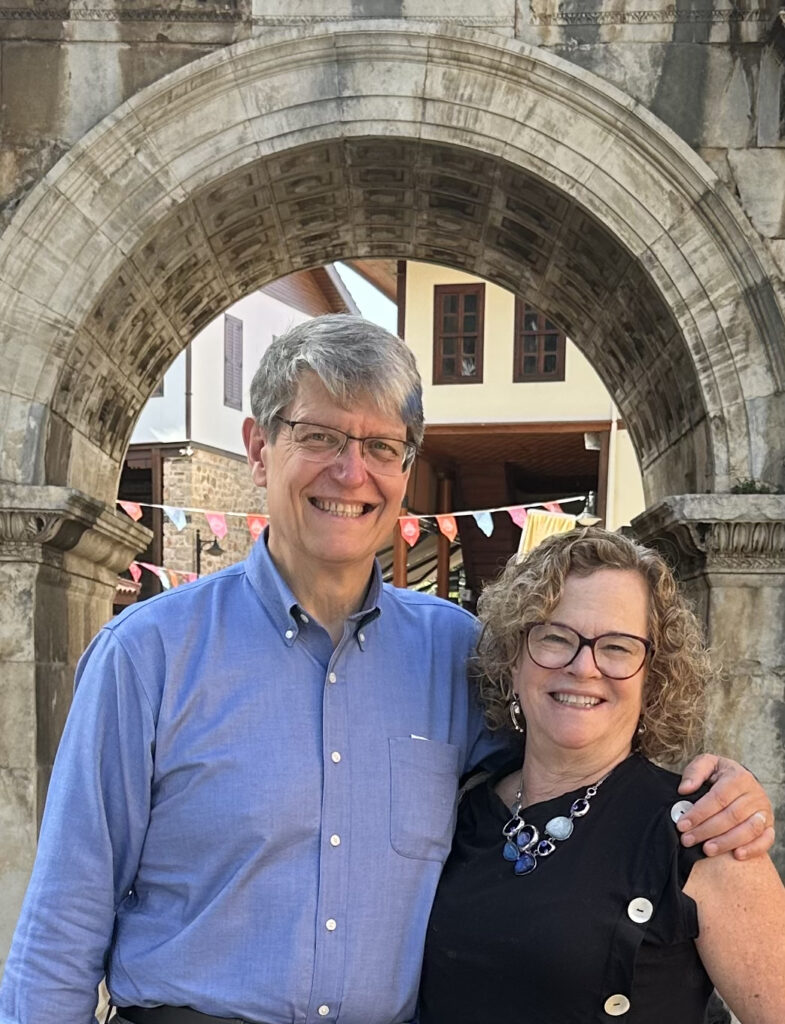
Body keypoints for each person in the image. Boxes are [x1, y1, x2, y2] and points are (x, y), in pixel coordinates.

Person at [0, 317, 774, 1024]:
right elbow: (64, 921)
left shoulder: (456, 654)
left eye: (380, 448)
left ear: (406, 469)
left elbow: (571, 750)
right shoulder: (148, 655)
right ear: (259, 446)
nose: (351, 472)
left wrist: (720, 793)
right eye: (320, 437)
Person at [419, 528, 785, 1023]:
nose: (583, 667)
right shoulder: (462, 806)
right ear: (513, 657)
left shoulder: (702, 831)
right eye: (555, 637)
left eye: (617, 647)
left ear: (654, 674)